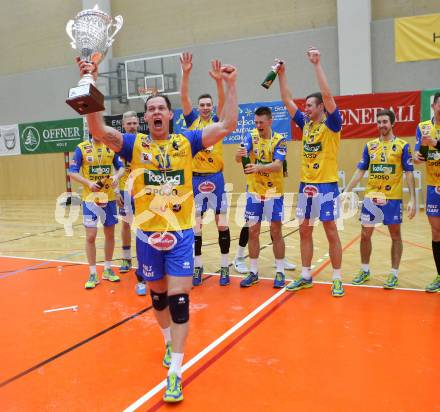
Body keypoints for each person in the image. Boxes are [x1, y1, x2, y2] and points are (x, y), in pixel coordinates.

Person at [77, 57, 238, 403]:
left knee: (180, 301)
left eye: (161, 107)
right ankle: (167, 343)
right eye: (150, 109)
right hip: (147, 236)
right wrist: (88, 78)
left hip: (179, 234)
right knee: (158, 297)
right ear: (146, 118)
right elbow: (98, 131)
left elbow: (227, 124)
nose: (155, 113)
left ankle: (175, 373)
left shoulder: (187, 142)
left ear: (169, 115)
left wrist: (231, 84)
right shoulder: (134, 145)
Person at [277, 47, 344, 297]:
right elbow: (286, 100)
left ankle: (337, 278)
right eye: (304, 105)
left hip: (326, 185)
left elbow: (327, 94)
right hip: (307, 185)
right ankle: (305, 275)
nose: (305, 108)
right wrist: (282, 74)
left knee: (330, 231)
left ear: (320, 108)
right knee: (305, 229)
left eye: (309, 105)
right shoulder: (305, 124)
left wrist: (316, 64)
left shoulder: (332, 125)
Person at [344, 109, 416, 288]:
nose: (381, 125)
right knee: (365, 234)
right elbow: (361, 170)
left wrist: (413, 198)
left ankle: (393, 274)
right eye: (379, 122)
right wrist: (346, 190)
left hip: (392, 198)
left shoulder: (402, 146)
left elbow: (408, 173)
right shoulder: (370, 146)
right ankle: (365, 270)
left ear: (392, 123)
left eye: (385, 121)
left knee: (395, 235)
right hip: (371, 198)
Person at [180, 52, 231, 286]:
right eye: (202, 105)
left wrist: (219, 80)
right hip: (196, 180)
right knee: (197, 227)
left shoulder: (217, 122)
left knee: (222, 224)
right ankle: (198, 267)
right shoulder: (192, 123)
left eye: (208, 105)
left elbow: (222, 101)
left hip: (216, 178)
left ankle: (224, 267)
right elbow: (183, 98)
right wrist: (186, 73)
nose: (205, 108)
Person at [235, 106, 287, 288]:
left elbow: (278, 165)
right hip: (255, 192)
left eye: (261, 122)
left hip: (274, 192)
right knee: (253, 232)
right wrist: (239, 155)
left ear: (270, 121)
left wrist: (258, 167)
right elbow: (238, 159)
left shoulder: (280, 140)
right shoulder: (250, 136)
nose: (258, 125)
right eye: (256, 122)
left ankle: (280, 271)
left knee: (275, 231)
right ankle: (253, 272)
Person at [69, 135, 124, 289]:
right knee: (91, 236)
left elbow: (121, 168)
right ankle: (93, 272)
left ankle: (107, 269)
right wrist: (88, 183)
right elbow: (72, 172)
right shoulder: (81, 148)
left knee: (110, 234)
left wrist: (116, 176)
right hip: (90, 199)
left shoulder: (111, 148)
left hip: (109, 198)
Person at [117, 111, 147, 296]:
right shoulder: (118, 142)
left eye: (135, 123)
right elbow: (113, 167)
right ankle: (127, 258)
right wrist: (114, 192)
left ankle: (146, 262)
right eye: (129, 123)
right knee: (126, 224)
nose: (132, 126)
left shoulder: (144, 140)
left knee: (144, 226)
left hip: (143, 190)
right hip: (124, 190)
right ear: (123, 125)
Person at [413, 91, 440, 292]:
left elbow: (434, 145)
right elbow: (420, 154)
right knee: (436, 231)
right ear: (434, 106)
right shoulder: (423, 127)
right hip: (434, 185)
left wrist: (435, 143)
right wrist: (417, 155)